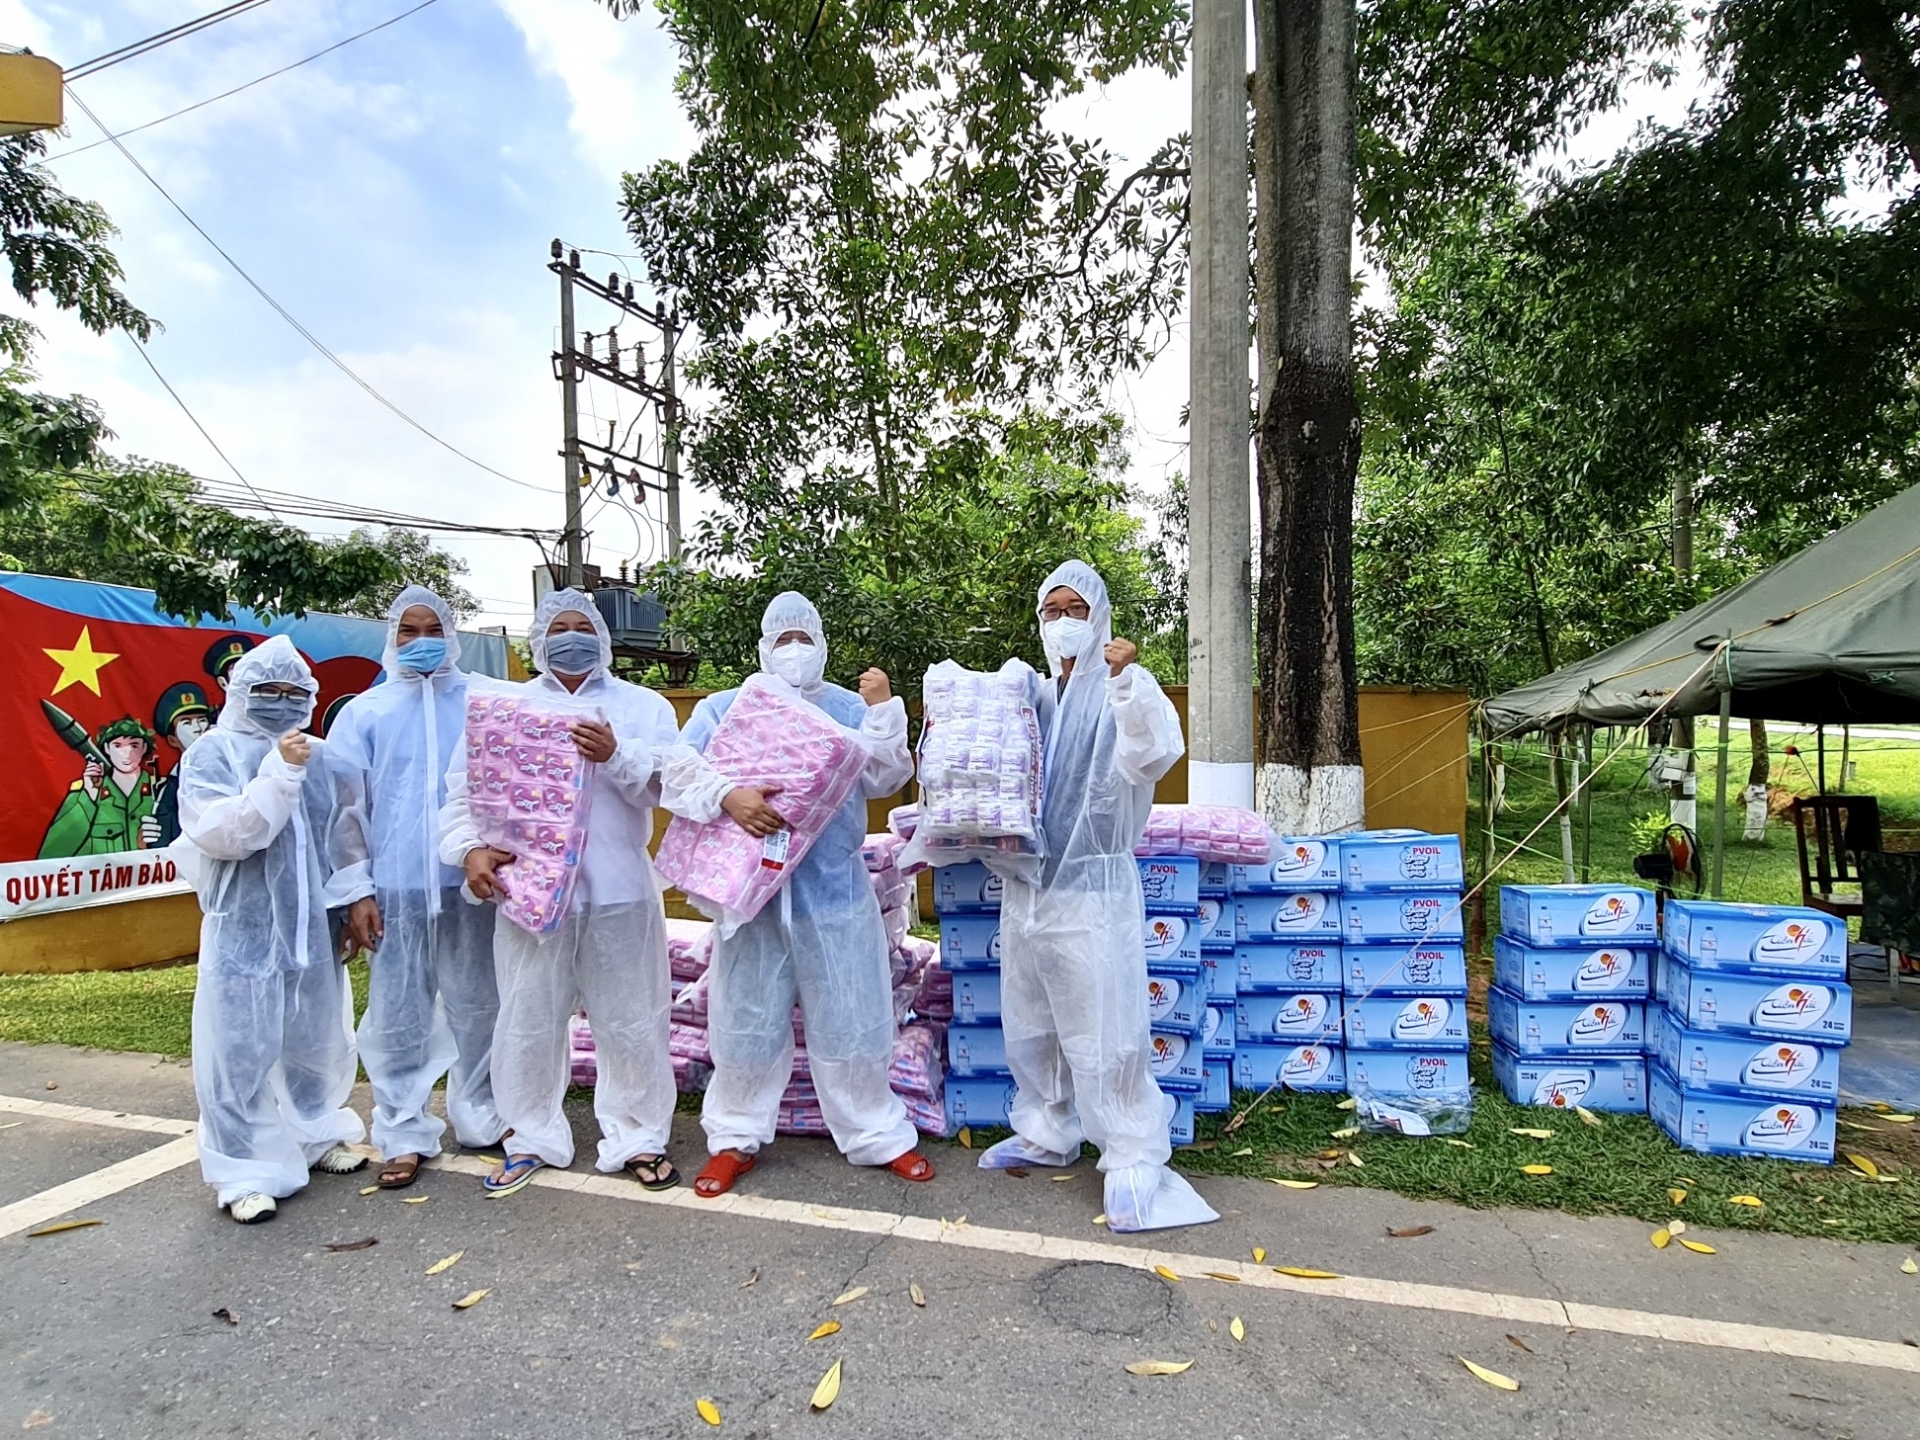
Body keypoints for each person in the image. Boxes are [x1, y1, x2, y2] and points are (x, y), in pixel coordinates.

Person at [661, 592, 931, 1198]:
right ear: (762, 646)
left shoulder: (846, 707)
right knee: (744, 1020)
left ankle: (876, 1134)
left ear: (822, 643)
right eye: (781, 640)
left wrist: (884, 710)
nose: (793, 651)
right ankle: (733, 1137)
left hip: (833, 892)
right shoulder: (725, 707)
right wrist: (729, 794)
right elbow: (676, 774)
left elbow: (888, 777)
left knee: (854, 1015)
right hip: (748, 893)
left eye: (803, 638)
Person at [977, 560, 1217, 1233]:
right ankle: (1045, 1129)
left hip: (1092, 893)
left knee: (1105, 1029)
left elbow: (1153, 753)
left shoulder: (1124, 690)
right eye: (1050, 611)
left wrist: (1126, 681)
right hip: (1026, 891)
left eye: (1074, 610)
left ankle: (1133, 1152)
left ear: (1099, 617)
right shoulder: (1031, 700)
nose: (1061, 623)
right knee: (1031, 1023)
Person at [439, 588, 681, 1197]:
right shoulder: (501, 706)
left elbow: (669, 783)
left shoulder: (642, 706)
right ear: (538, 640)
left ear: (600, 636)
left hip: (620, 889)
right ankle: (530, 1136)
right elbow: (462, 796)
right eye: (557, 627)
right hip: (529, 891)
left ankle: (638, 1136)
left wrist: (617, 753)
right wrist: (469, 850)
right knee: (527, 1015)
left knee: (631, 1018)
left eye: (582, 626)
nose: (570, 637)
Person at [175, 635, 366, 1223]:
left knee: (316, 1036)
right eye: (267, 690)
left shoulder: (324, 756)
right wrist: (279, 774)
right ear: (236, 691)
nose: (282, 701)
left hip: (312, 925)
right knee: (238, 1048)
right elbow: (226, 835)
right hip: (245, 929)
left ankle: (314, 1131)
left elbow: (345, 835)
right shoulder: (213, 754)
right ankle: (242, 1170)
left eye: (294, 691)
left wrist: (350, 902)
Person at [326, 587, 503, 1189]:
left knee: (481, 1004)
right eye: (409, 630)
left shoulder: (485, 700)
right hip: (394, 890)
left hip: (471, 883)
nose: (422, 641)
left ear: (451, 634)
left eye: (433, 629)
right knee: (398, 1013)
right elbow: (346, 813)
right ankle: (401, 1129)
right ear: (392, 639)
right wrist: (357, 890)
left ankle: (480, 1116)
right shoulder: (365, 713)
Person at [38, 717, 159, 857]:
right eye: (118, 746)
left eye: (134, 745)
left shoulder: (161, 791)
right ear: (107, 748)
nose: (127, 754)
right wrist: (89, 796)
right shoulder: (86, 793)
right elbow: (52, 854)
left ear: (144, 748)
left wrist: (149, 847)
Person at [151, 682, 215, 847]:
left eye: (201, 720)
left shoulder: (232, 767)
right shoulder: (171, 787)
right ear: (173, 740)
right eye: (186, 723)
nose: (198, 729)